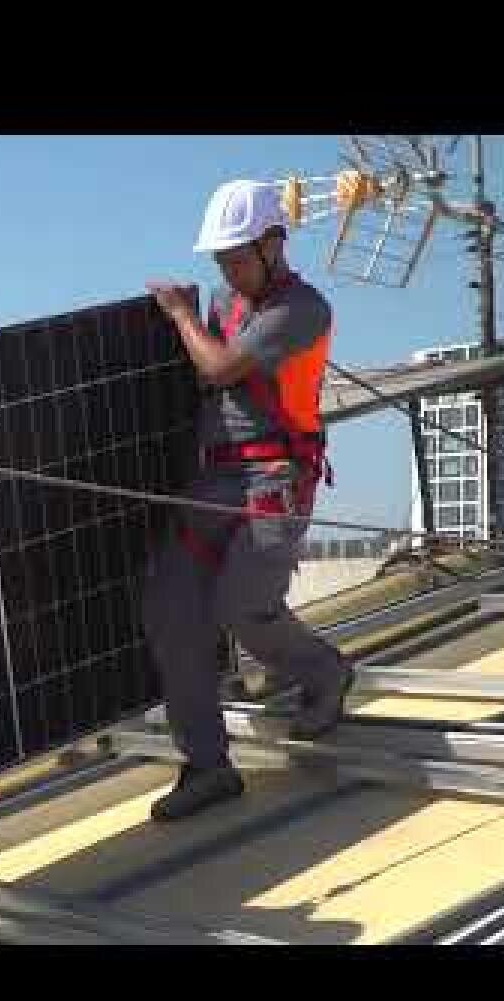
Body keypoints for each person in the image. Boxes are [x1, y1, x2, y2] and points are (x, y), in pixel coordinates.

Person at [143, 180, 355, 822]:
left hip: (273, 482)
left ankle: (323, 672)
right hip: (212, 481)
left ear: (272, 243)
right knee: (170, 609)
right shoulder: (229, 306)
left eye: (236, 257)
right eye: (221, 261)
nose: (228, 271)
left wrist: (180, 315)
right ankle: (207, 766)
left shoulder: (302, 310)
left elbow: (219, 370)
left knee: (242, 607)